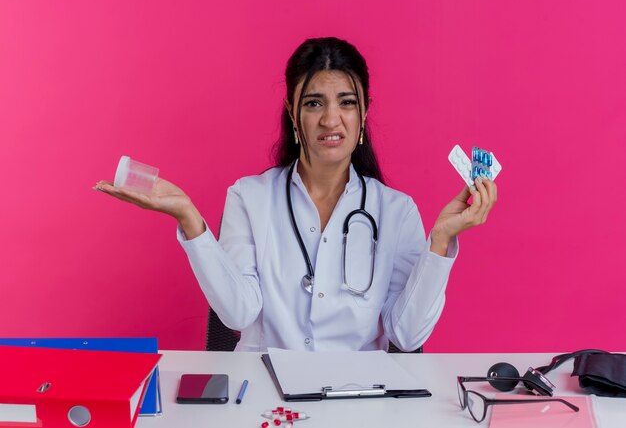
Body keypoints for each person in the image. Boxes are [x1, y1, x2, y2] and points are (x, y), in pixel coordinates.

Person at [95, 37, 497, 352]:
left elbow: (406, 336)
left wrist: (441, 242)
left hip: (357, 401)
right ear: (292, 113)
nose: (329, 119)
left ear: (364, 115)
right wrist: (189, 219)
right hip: (261, 397)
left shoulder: (395, 211)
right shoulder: (249, 197)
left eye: (346, 103)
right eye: (313, 103)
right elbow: (238, 313)